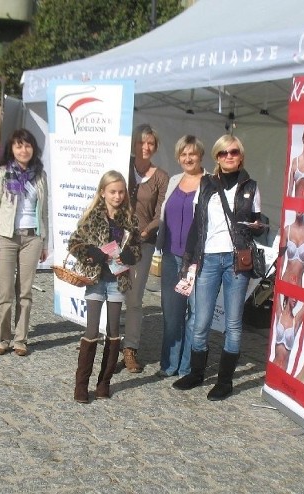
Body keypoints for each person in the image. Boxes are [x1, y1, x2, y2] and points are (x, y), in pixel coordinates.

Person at [173, 135, 264, 400]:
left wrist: (256, 228)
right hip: (209, 258)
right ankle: (197, 373)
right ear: (216, 157)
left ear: (241, 155)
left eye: (233, 152)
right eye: (223, 153)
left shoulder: (251, 187)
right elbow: (196, 225)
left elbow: (257, 224)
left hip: (237, 260)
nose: (228, 156)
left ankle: (225, 381)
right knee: (200, 320)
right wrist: (190, 258)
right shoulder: (206, 185)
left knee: (233, 324)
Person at [68, 170, 141, 403]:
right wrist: (92, 254)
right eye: (112, 192)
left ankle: (104, 382)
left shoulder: (129, 219)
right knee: (91, 331)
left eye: (121, 192)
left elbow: (136, 249)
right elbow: (74, 243)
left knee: (113, 331)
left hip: (117, 281)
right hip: (96, 280)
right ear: (103, 193)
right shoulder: (92, 217)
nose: (117, 196)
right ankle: (81, 384)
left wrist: (127, 256)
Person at [0, 129, 49, 357]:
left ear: (34, 148)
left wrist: (44, 243)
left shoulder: (40, 175)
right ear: (11, 150)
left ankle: (20, 339)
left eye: (28, 145)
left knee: (25, 292)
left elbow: (44, 213)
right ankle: (3, 338)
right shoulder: (2, 173)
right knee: (5, 292)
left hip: (32, 237)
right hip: (6, 237)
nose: (24, 150)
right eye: (19, 145)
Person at [156, 135, 206, 377]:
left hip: (197, 260)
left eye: (192, 153)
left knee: (195, 315)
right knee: (172, 313)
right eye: (183, 154)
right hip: (170, 255)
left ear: (200, 156)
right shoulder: (174, 180)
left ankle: (186, 366)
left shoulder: (209, 182)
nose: (188, 158)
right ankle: (168, 364)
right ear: (178, 157)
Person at [122, 124, 169, 373]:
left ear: (156, 146)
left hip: (142, 243)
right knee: (111, 293)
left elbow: (161, 212)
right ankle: (108, 343)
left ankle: (130, 348)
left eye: (150, 143)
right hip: (116, 241)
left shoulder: (161, 176)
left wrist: (145, 231)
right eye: (141, 142)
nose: (146, 147)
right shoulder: (122, 163)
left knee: (135, 298)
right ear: (134, 145)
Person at [279, 211, 304, 288]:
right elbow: (280, 264)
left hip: (298, 283)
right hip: (286, 280)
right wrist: (277, 290)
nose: (299, 210)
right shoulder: (287, 230)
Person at [271, 296, 304, 370]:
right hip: (274, 363)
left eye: (297, 299)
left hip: (284, 367)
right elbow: (278, 294)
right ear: (287, 297)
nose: (295, 300)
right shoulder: (280, 314)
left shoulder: (296, 321)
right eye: (293, 297)